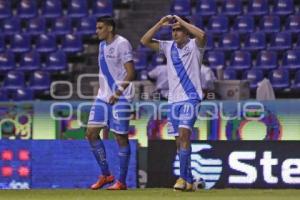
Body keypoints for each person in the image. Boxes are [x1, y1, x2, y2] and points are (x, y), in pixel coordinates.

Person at [141, 15, 206, 191]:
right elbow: (144, 40)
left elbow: (202, 35)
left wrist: (181, 21)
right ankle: (189, 180)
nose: (175, 33)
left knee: (184, 136)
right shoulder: (168, 47)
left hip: (191, 97)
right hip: (173, 100)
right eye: (173, 30)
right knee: (179, 142)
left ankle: (182, 178)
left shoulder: (195, 46)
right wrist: (160, 23)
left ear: (186, 31)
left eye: (178, 30)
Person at [86, 16, 135, 190]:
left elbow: (130, 73)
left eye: (100, 28)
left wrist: (118, 92)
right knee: (91, 133)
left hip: (120, 97)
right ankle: (106, 175)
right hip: (103, 97)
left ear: (110, 28)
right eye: (97, 27)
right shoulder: (101, 46)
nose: (97, 31)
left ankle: (121, 182)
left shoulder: (122, 44)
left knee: (120, 137)